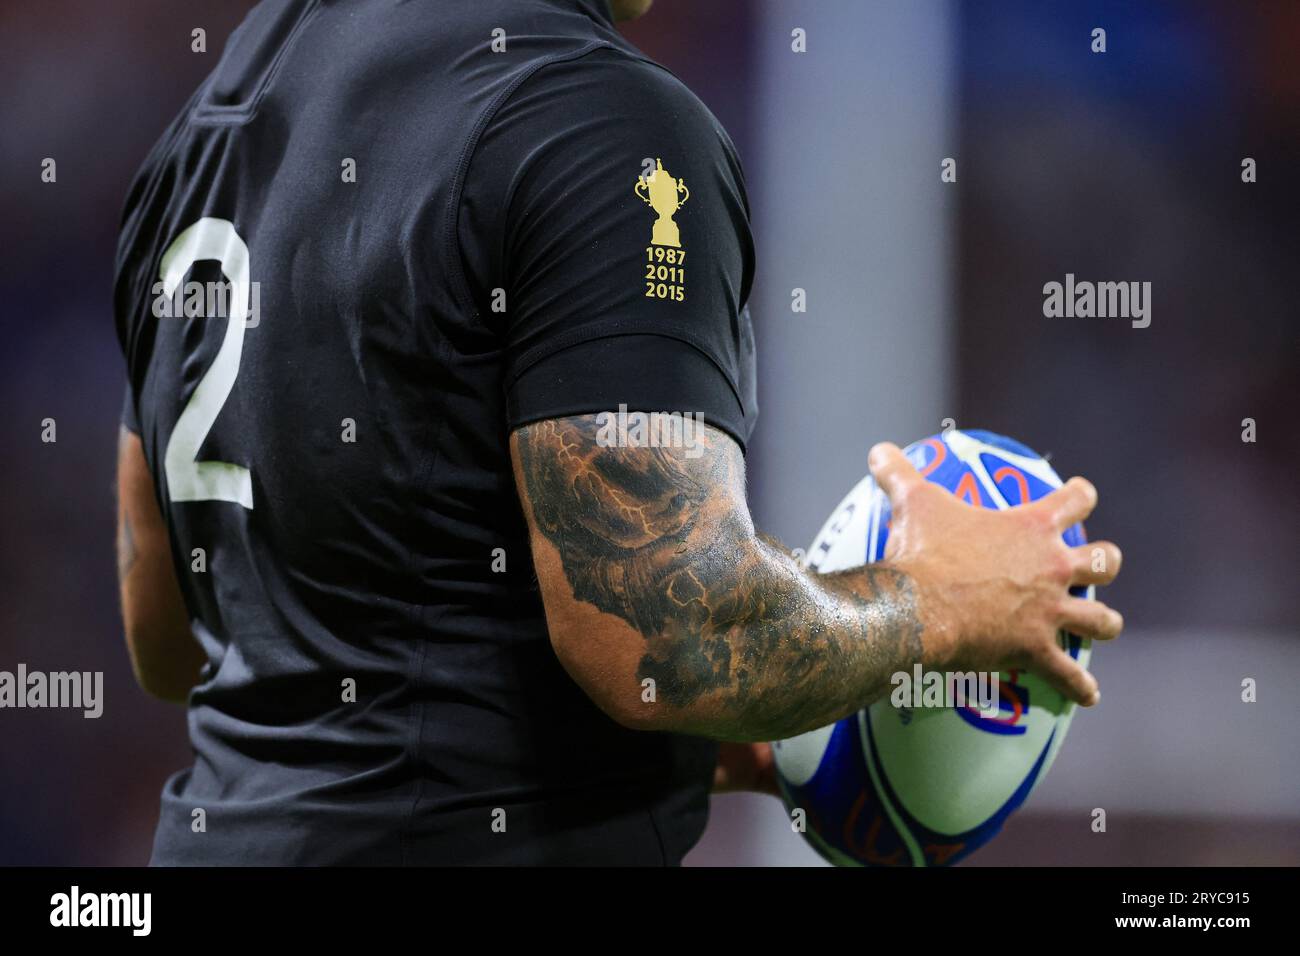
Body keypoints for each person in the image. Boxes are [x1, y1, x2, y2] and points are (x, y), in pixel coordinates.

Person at [115, 0, 1122, 865]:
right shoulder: (594, 122)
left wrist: (682, 736)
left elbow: (169, 630)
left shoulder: (200, 136)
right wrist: (938, 601)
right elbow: (662, 636)